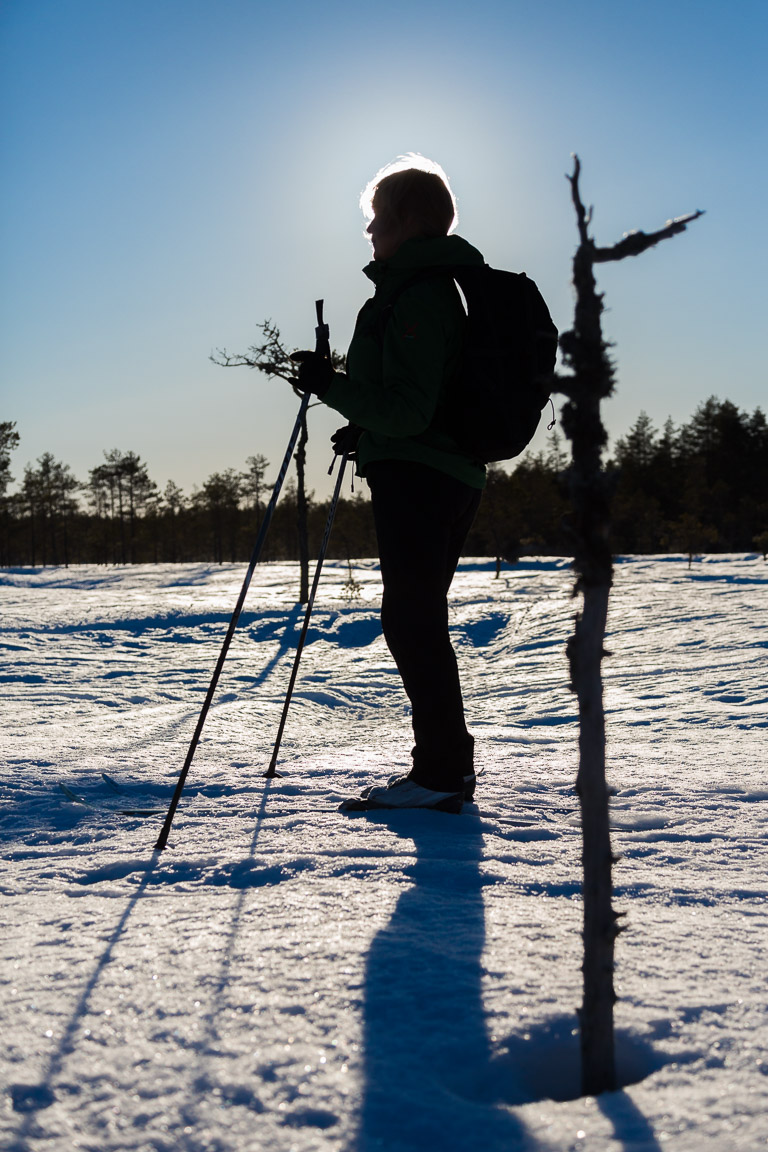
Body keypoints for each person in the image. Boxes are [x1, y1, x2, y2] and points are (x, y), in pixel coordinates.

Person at [293, 157, 486, 813]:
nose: (370, 232)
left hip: (424, 476)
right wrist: (365, 431)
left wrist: (333, 389)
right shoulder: (423, 288)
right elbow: (413, 405)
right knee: (415, 616)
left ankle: (440, 773)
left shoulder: (418, 295)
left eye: (378, 220)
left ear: (408, 223)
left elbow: (408, 410)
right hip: (432, 468)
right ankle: (442, 770)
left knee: (412, 619)